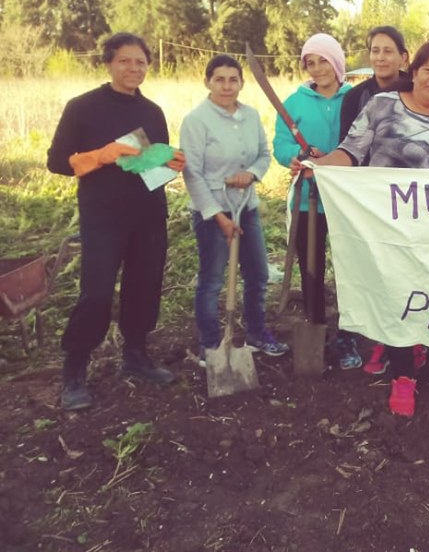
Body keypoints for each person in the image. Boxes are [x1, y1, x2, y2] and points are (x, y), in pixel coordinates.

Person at [308, 40, 429, 416]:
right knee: (400, 296)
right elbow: (350, 151)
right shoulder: (383, 105)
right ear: (413, 72)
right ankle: (403, 374)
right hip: (390, 229)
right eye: (428, 69)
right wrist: (319, 166)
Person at [47, 32, 185, 410]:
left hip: (148, 213)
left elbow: (152, 163)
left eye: (140, 62)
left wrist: (170, 161)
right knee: (97, 293)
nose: (133, 68)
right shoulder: (83, 107)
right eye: (125, 60)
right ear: (109, 62)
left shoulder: (152, 112)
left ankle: (136, 356)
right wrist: (101, 155)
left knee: (144, 286)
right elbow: (57, 162)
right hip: (103, 215)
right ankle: (74, 369)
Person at [180, 54, 289, 365]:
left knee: (258, 273)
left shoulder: (251, 116)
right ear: (208, 82)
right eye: (219, 79)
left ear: (241, 82)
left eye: (233, 80)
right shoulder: (197, 120)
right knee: (213, 280)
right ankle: (211, 345)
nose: (227, 86)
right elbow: (193, 174)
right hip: (212, 211)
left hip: (246, 206)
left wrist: (251, 174)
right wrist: (218, 217)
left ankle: (256, 332)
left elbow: (264, 155)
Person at [273, 33, 359, 369]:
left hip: (344, 199)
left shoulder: (354, 99)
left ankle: (348, 335)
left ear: (337, 62)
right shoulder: (294, 102)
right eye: (311, 62)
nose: (318, 68)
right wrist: (295, 157)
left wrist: (334, 159)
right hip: (307, 200)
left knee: (349, 269)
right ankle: (316, 329)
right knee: (311, 270)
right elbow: (280, 144)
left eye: (324, 60)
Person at [336, 26, 416, 376]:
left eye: (388, 51)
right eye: (374, 50)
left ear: (403, 57)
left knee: (408, 271)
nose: (380, 57)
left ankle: (410, 340)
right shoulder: (356, 98)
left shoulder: (417, 90)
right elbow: (347, 147)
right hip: (370, 199)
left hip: (410, 201)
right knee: (377, 269)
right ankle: (378, 337)